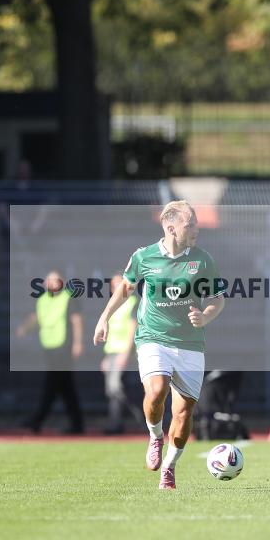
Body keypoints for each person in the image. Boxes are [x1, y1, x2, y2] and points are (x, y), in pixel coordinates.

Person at [94, 200, 226, 489]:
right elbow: (126, 288)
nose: (196, 229)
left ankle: (170, 466)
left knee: (183, 414)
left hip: (190, 344)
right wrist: (104, 317)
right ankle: (155, 436)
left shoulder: (203, 260)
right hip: (153, 337)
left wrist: (205, 316)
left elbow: (217, 299)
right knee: (156, 392)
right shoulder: (144, 256)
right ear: (171, 228)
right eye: (190, 224)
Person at [16, 270, 85, 434]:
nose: (52, 282)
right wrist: (24, 328)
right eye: (49, 279)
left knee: (52, 385)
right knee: (66, 387)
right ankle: (77, 424)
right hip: (49, 346)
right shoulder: (43, 299)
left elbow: (77, 321)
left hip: (64, 347)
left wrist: (78, 343)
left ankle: (37, 419)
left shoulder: (69, 297)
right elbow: (37, 318)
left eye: (56, 279)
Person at [99, 272, 143, 434]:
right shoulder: (112, 305)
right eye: (113, 285)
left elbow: (133, 328)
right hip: (111, 351)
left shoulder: (132, 302)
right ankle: (125, 421)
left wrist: (126, 353)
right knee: (113, 390)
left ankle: (118, 423)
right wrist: (105, 357)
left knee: (115, 388)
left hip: (124, 352)